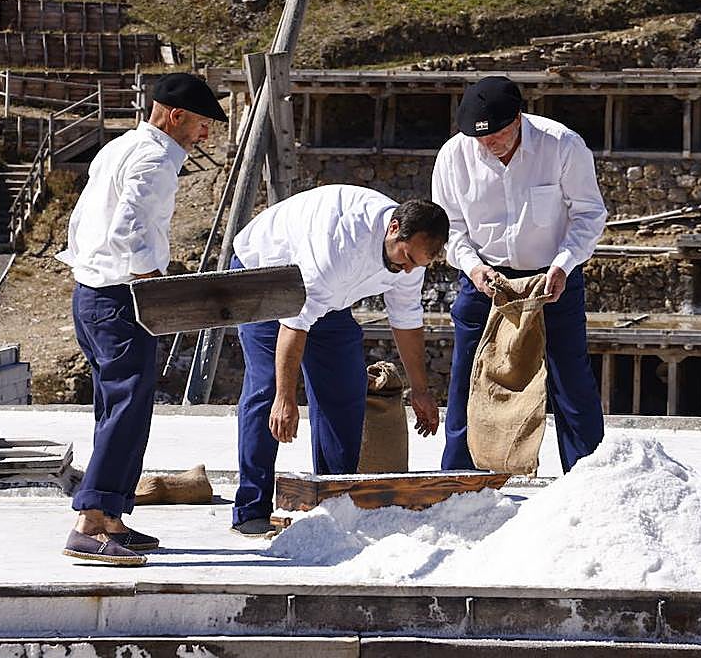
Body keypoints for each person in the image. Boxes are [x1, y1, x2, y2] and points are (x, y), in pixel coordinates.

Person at [56, 72, 227, 566]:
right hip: (121, 297)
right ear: (175, 116)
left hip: (93, 292)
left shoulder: (120, 147)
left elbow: (81, 220)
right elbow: (128, 228)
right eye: (201, 124)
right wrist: (154, 284)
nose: (205, 135)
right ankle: (91, 521)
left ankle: (111, 516)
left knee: (116, 410)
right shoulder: (155, 159)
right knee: (128, 409)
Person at [229, 184, 448, 536]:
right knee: (267, 391)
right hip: (264, 274)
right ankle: (251, 510)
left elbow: (406, 318)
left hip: (327, 295)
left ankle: (334, 503)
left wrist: (420, 390)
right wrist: (286, 398)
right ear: (394, 228)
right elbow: (295, 324)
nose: (408, 271)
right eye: (406, 259)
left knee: (345, 387)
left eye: (417, 265)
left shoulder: (412, 254)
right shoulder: (340, 242)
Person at [432, 76, 607, 473]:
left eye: (496, 135)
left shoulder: (562, 144)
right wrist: (473, 267)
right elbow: (450, 227)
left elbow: (588, 214)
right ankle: (459, 479)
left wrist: (564, 264)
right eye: (480, 138)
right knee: (468, 378)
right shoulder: (454, 155)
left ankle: (588, 479)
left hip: (553, 276)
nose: (488, 144)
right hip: (484, 278)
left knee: (570, 379)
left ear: (518, 120)